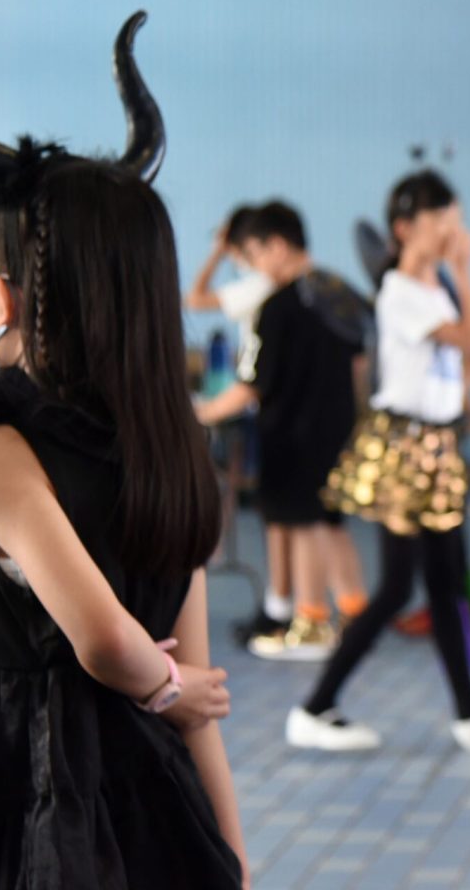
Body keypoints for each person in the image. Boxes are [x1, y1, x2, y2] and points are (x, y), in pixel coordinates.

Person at [0, 14, 247, 886]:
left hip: (10, 784)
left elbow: (106, 640)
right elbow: (196, 693)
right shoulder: (177, 454)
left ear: (15, 298)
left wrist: (167, 687)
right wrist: (232, 850)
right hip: (148, 787)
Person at [286, 170, 470, 753]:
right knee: (401, 586)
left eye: (454, 216)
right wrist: (466, 272)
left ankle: (469, 712)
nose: (452, 229)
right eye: (439, 218)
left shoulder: (429, 291)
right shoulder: (402, 290)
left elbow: (459, 367)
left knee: (444, 581)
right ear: (404, 228)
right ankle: (316, 706)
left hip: (433, 446)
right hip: (406, 450)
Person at [197, 200, 372, 660]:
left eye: (255, 255)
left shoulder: (278, 306)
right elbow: (360, 362)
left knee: (305, 523)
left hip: (293, 435)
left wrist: (204, 412)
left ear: (277, 246)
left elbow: (253, 382)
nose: (255, 267)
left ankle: (311, 623)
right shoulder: (338, 292)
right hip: (337, 427)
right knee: (328, 522)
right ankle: (355, 614)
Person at [186, 204, 291, 642]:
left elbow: (195, 299)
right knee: (280, 516)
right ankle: (281, 605)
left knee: (279, 514)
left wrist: (218, 251)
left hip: (262, 406)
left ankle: (282, 607)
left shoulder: (260, 286)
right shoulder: (273, 288)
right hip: (265, 405)